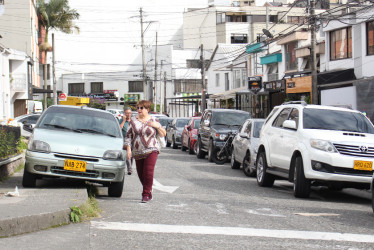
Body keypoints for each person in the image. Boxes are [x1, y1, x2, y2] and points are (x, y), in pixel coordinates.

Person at [124, 100, 166, 203]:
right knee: (141, 174)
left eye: (141, 108)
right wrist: (129, 149)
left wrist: (157, 126)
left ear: (147, 109)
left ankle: (145, 194)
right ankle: (149, 190)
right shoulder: (133, 121)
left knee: (148, 172)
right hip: (137, 151)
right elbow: (128, 136)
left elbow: (163, 134)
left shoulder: (153, 119)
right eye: (138, 108)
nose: (139, 110)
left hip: (152, 149)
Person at [119, 107, 133, 175]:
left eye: (130, 113)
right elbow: (119, 128)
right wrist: (124, 121)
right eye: (127, 113)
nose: (128, 114)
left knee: (131, 155)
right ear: (124, 113)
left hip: (132, 140)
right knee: (128, 153)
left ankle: (130, 167)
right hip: (124, 140)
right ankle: (129, 169)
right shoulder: (121, 120)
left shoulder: (133, 121)